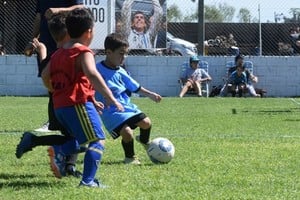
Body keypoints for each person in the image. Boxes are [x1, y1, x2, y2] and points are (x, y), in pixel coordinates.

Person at [41, 8, 124, 188]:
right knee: (98, 140)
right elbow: (92, 74)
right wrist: (111, 98)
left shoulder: (59, 52)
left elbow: (45, 76)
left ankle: (60, 151)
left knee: (79, 140)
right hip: (77, 104)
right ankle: (87, 181)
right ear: (89, 32)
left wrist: (55, 91)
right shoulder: (83, 52)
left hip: (60, 106)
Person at [16, 13, 83, 178]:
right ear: (69, 34)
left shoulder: (54, 56)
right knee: (79, 137)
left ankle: (69, 167)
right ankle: (34, 139)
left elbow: (46, 69)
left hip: (56, 103)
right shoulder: (68, 56)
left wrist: (42, 50)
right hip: (66, 102)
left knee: (70, 135)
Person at [95, 33, 162, 165]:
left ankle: (144, 141)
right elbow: (88, 86)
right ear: (108, 52)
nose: (123, 57)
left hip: (126, 106)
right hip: (110, 111)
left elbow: (135, 86)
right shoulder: (96, 70)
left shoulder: (121, 71)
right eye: (121, 53)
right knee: (127, 132)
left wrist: (150, 94)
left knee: (146, 122)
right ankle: (130, 157)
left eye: (125, 54)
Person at [24, 0, 84, 132]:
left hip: (66, 43)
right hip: (46, 44)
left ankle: (60, 120)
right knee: (51, 82)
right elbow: (39, 18)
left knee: (64, 82)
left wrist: (59, 10)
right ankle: (54, 121)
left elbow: (81, 8)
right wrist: (33, 40)